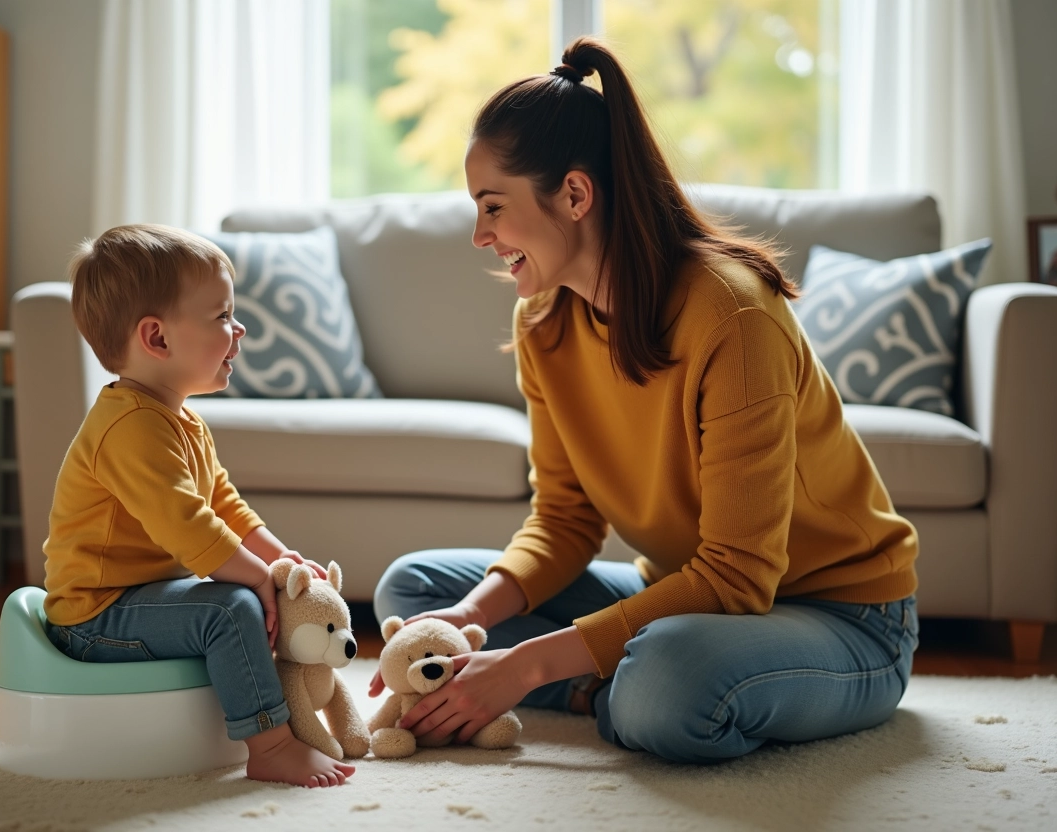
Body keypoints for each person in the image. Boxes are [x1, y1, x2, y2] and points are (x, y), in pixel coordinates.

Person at [371, 38, 920, 764]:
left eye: (493, 207)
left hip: (843, 616)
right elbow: (565, 519)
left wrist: (528, 664)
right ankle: (602, 683)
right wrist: (471, 621)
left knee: (666, 685)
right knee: (414, 594)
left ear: (574, 194)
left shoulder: (732, 315)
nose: (481, 236)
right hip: (684, 594)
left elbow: (738, 574)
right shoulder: (543, 321)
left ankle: (608, 686)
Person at [43, 224, 354, 788]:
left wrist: (283, 561)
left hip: (138, 598)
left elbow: (226, 507)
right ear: (157, 338)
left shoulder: (181, 419)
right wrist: (260, 583)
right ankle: (272, 744)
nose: (239, 330)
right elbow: (190, 528)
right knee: (230, 608)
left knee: (240, 594)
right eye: (221, 317)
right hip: (95, 614)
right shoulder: (130, 427)